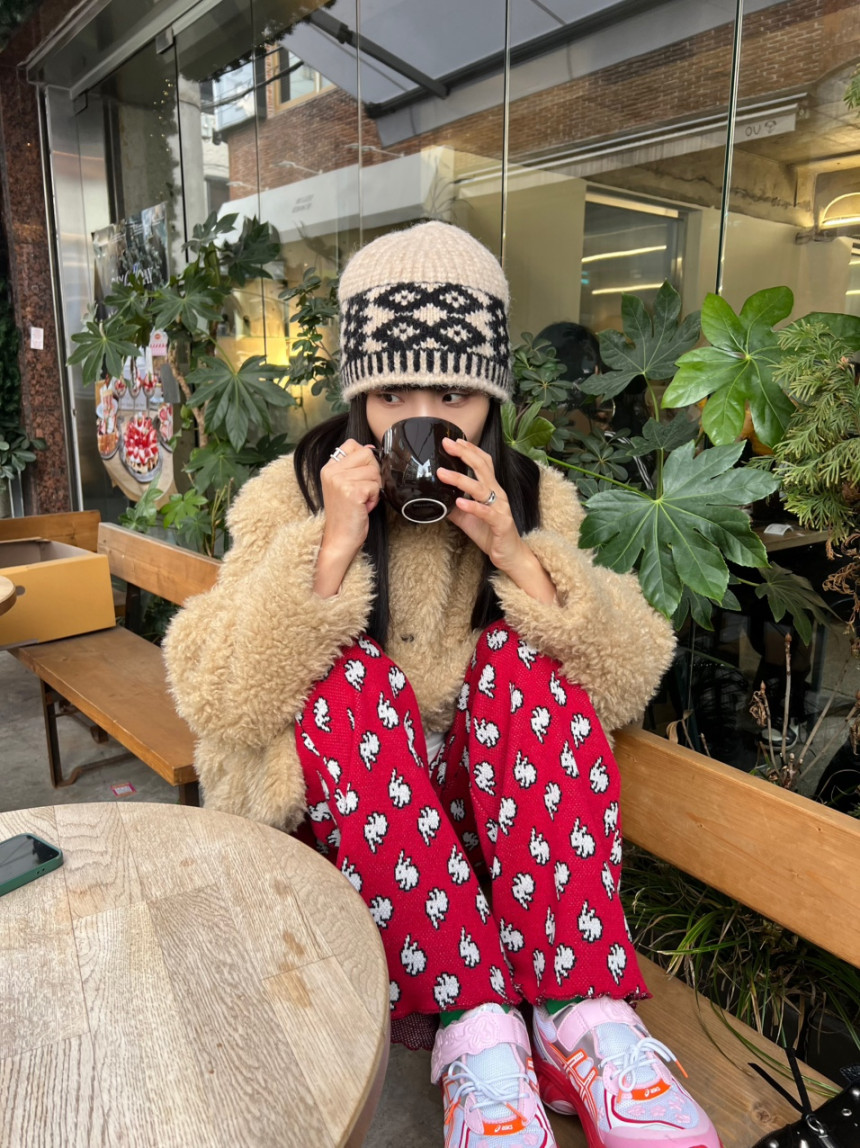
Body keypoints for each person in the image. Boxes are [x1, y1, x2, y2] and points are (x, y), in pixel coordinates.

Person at [163, 222, 719, 1148]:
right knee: (349, 679)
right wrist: (330, 548)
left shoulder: (532, 495)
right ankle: (477, 1034)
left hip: (494, 827)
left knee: (522, 657)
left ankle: (581, 1018)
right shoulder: (291, 492)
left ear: (490, 397)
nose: (421, 420)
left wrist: (515, 550)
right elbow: (215, 693)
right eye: (392, 395)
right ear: (359, 396)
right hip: (355, 820)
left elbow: (626, 676)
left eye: (453, 394)